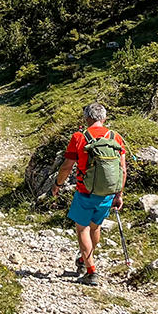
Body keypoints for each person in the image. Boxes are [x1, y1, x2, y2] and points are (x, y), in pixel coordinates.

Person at [51, 102, 127, 286]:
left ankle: (91, 272)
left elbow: (67, 166)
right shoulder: (115, 137)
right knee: (95, 227)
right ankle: (84, 260)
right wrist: (119, 195)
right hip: (108, 193)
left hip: (85, 192)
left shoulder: (79, 137)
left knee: (82, 229)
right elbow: (123, 170)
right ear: (104, 118)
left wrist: (57, 184)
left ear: (87, 118)